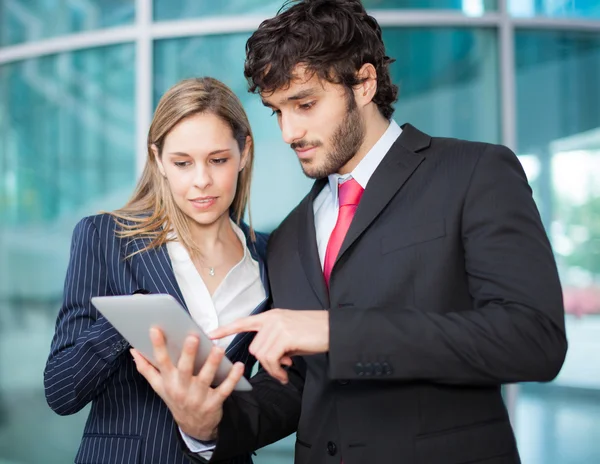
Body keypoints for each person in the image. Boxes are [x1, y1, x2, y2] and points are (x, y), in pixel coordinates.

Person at [133, 1, 568, 463]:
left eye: (304, 104)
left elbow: (533, 338)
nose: (288, 131)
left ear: (364, 83)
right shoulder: (287, 235)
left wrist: (336, 332)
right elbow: (299, 383)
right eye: (277, 111)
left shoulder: (473, 172)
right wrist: (209, 424)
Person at [43, 77, 267, 464]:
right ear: (158, 160)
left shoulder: (269, 256)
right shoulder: (106, 238)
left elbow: (269, 393)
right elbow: (61, 391)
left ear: (244, 152)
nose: (201, 181)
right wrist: (131, 315)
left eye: (218, 160)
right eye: (182, 163)